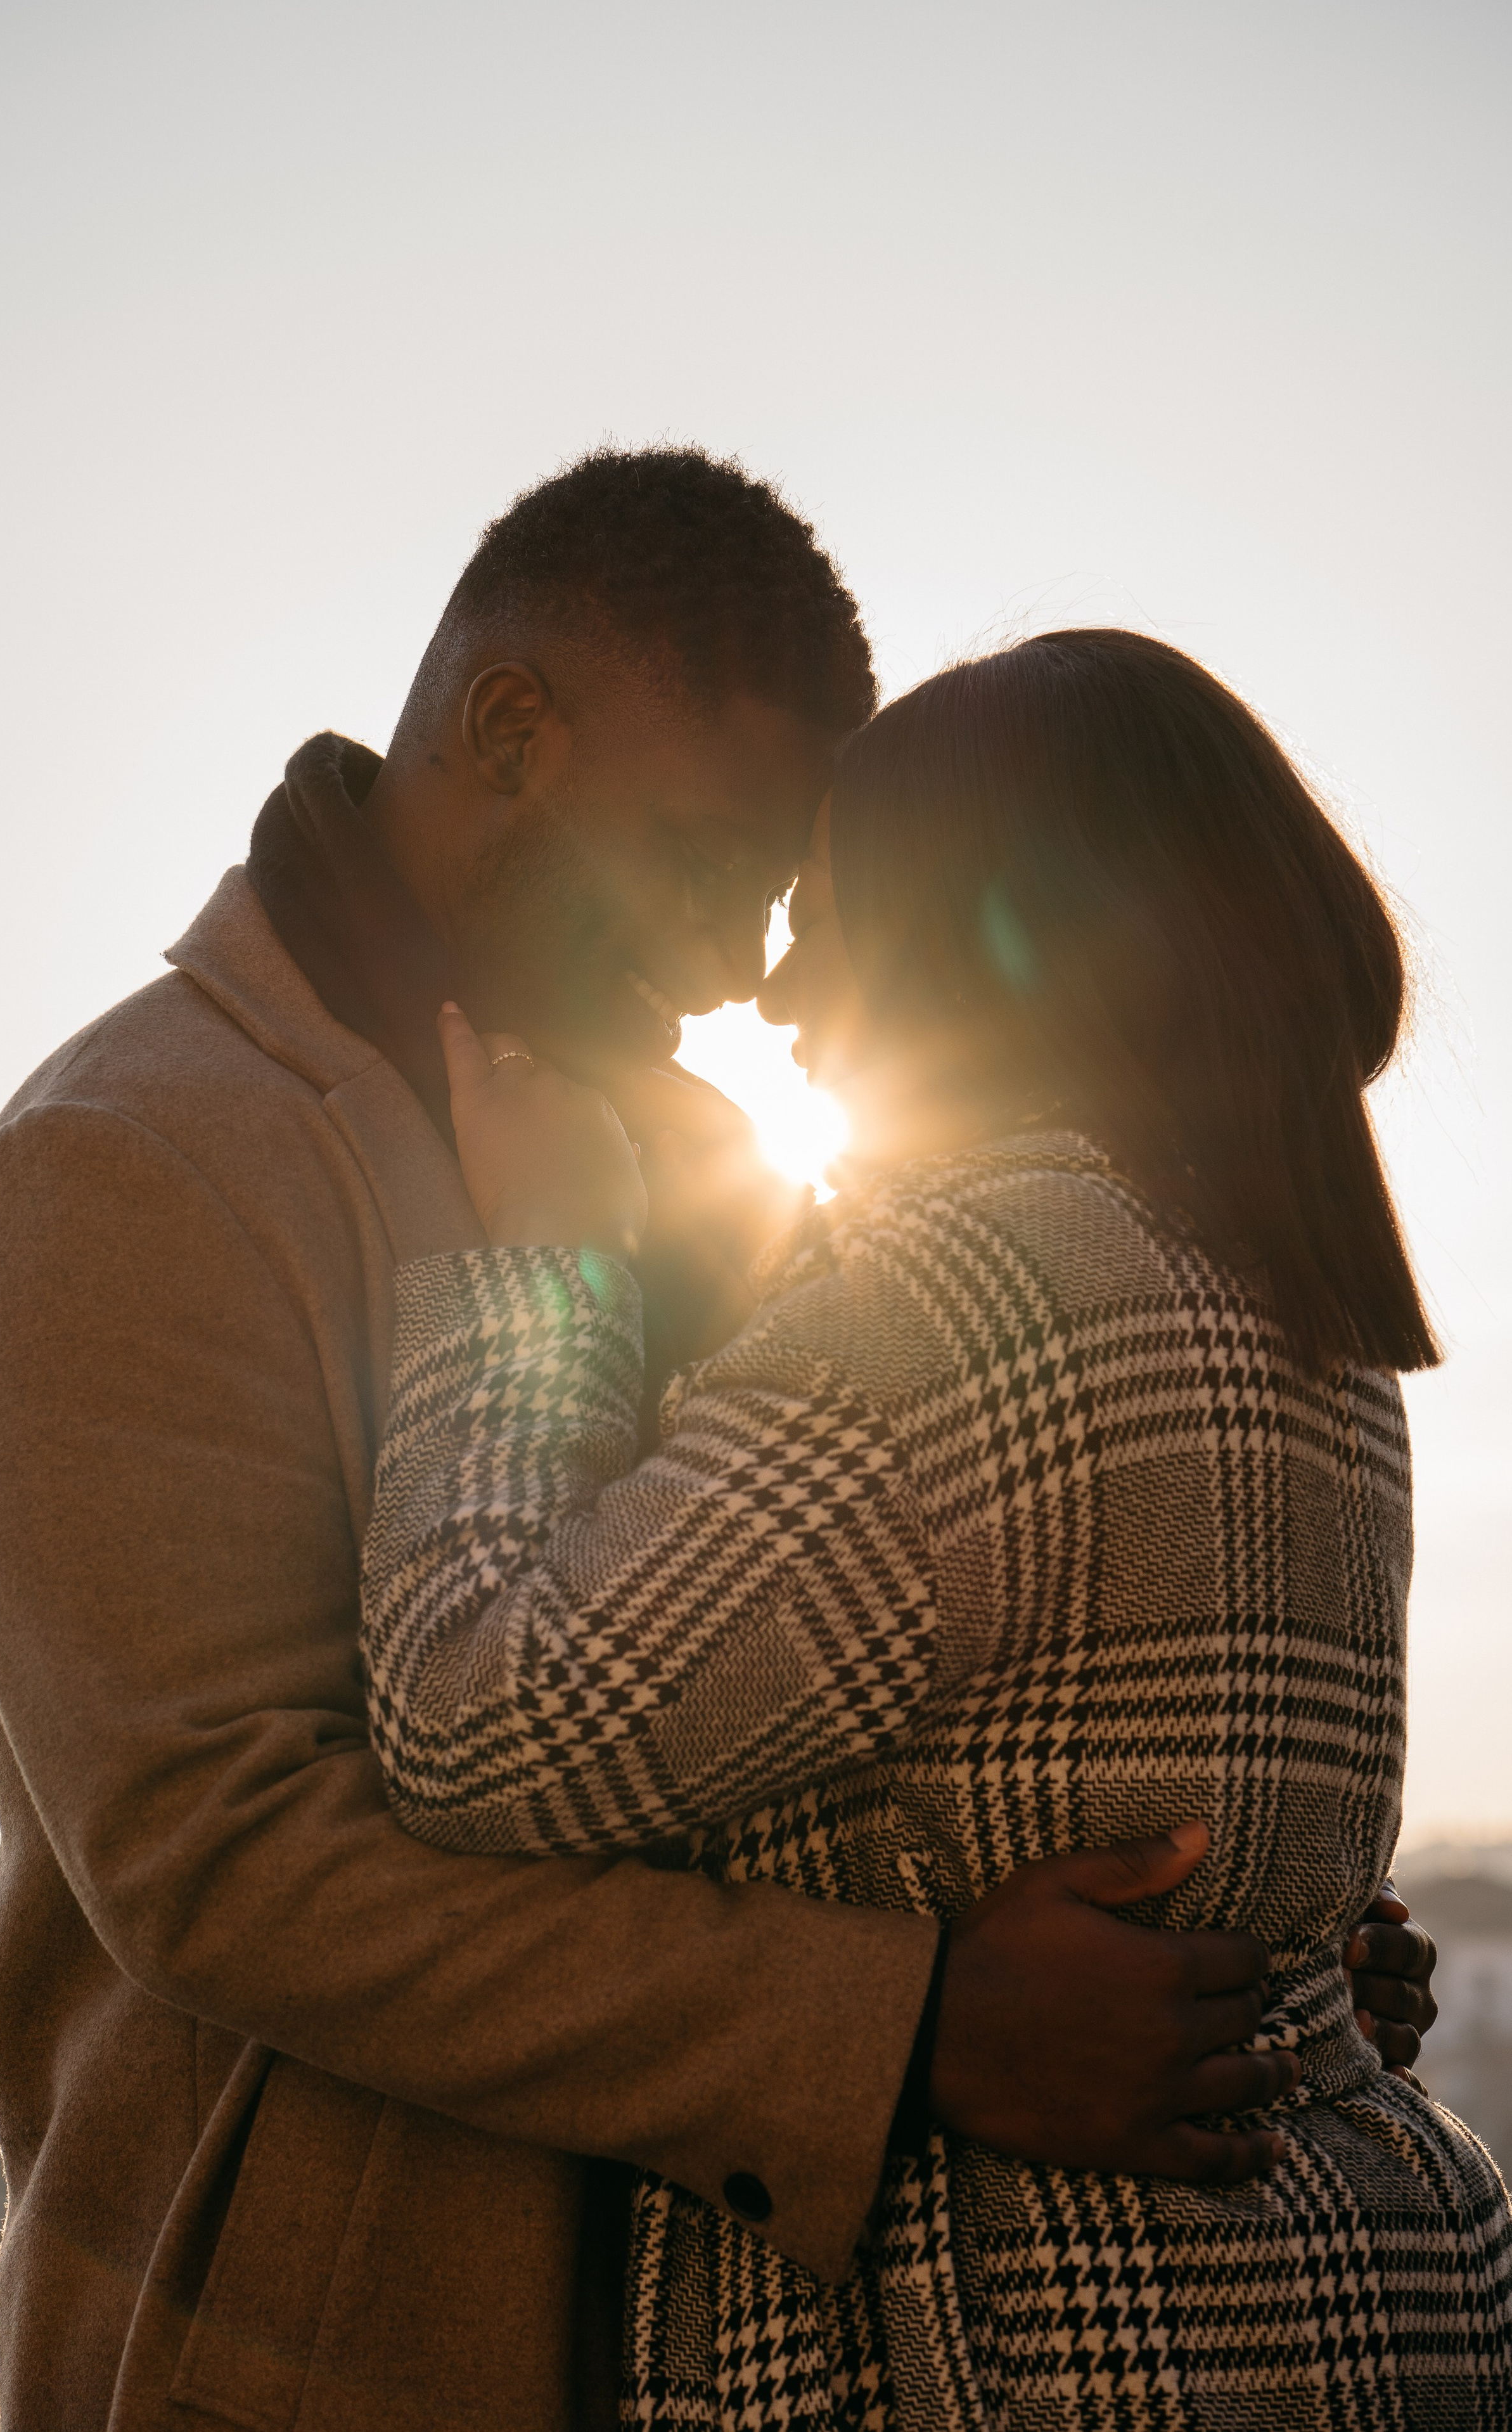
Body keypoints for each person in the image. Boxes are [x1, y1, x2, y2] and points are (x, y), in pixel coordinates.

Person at [0, 455, 1434, 2432]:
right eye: (712, 863)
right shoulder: (125, 1162)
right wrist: (907, 2034)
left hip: (795, 2340)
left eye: (788, 892)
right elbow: (225, 1861)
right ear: (510, 729)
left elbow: (834, 1662)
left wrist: (1239, 1952)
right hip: (336, 2361)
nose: (740, 968)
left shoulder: (715, 1157)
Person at [356, 626, 1504, 2426]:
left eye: (827, 911)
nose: (782, 992)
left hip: (1018, 2346)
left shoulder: (973, 1295)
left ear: (981, 926)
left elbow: (477, 1717)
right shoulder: (1296, 1303)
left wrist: (535, 1268)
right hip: (1321, 2310)